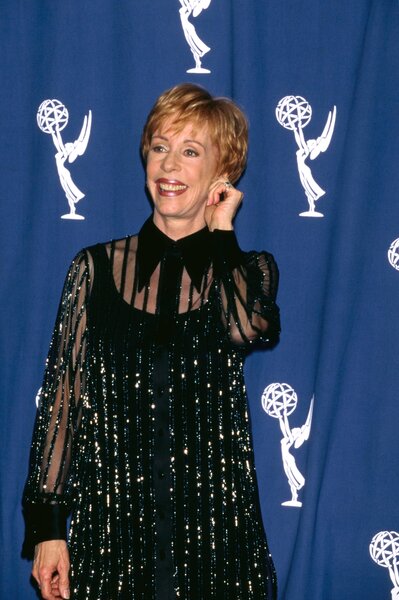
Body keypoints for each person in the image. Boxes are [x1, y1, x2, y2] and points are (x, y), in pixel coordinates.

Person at [23, 83, 280, 600]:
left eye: (190, 152)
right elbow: (63, 401)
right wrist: (49, 528)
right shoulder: (93, 269)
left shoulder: (248, 271)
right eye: (160, 147)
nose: (169, 166)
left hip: (218, 546)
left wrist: (221, 231)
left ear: (221, 173)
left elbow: (248, 329)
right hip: (112, 542)